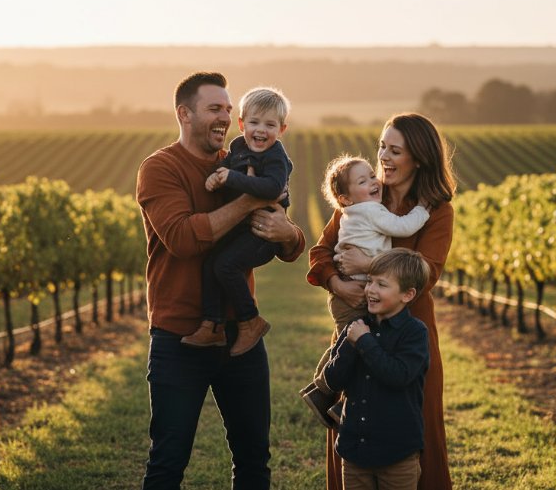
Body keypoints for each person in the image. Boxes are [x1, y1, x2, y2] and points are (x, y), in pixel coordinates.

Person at [136, 72, 305, 490]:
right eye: (215, 109)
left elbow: (283, 230)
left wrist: (291, 235)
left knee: (253, 460)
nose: (224, 118)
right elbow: (182, 238)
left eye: (228, 110)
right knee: (167, 462)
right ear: (184, 114)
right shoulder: (160, 168)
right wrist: (251, 197)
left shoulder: (240, 163)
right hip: (180, 338)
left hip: (241, 340)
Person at [307, 112, 456, 490]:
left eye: (395, 150)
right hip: (358, 327)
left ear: (418, 158)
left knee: (416, 425)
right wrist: (339, 285)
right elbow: (322, 252)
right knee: (350, 421)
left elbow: (427, 271)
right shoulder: (365, 194)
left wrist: (368, 264)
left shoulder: (437, 210)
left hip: (410, 333)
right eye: (381, 147)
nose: (384, 157)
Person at [301, 155, 430, 426]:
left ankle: (330, 398)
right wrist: (423, 209)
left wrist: (366, 264)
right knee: (355, 346)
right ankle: (331, 397)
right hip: (353, 293)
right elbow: (403, 226)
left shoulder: (352, 210)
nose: (374, 181)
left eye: (372, 175)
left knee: (352, 344)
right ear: (345, 198)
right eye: (364, 180)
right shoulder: (371, 210)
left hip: (354, 291)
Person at [181, 87, 293, 356]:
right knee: (211, 263)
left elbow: (271, 188)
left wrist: (230, 179)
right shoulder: (238, 148)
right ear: (242, 124)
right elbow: (225, 172)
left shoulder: (276, 156)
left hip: (262, 234)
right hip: (242, 229)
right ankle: (212, 325)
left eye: (270, 125)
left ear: (282, 129)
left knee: (226, 265)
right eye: (254, 123)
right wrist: (216, 177)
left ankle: (250, 321)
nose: (261, 131)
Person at [319, 248, 430, 490]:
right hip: (355, 451)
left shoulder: (414, 333)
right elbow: (333, 380)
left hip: (397, 454)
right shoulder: (356, 326)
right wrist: (350, 344)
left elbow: (398, 375)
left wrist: (364, 342)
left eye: (382, 284)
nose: (371, 289)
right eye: (369, 281)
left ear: (407, 294)